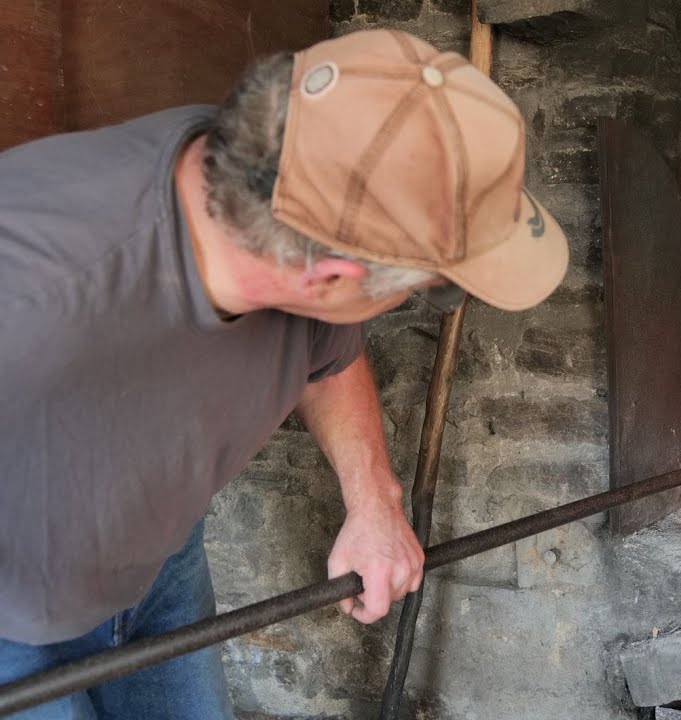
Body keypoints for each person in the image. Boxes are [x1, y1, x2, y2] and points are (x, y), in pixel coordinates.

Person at [0, 28, 568, 719]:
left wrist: (374, 499)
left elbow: (325, 348)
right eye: (431, 289)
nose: (421, 300)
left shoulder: (268, 182)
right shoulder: (31, 297)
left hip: (160, 565)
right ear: (328, 276)